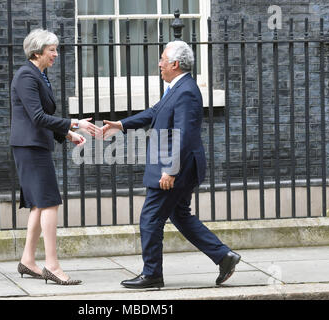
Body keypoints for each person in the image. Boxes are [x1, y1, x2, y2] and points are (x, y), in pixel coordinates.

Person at [103, 40, 241, 289]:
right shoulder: (178, 88)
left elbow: (185, 134)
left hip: (176, 167)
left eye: (162, 60)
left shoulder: (186, 91)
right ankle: (224, 256)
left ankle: (152, 273)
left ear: (175, 64)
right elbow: (154, 112)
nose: (159, 64)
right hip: (180, 166)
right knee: (180, 215)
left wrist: (170, 170)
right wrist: (120, 125)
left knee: (150, 218)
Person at [10, 28, 101, 285]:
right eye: (52, 50)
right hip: (30, 148)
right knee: (50, 202)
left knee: (40, 204)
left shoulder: (38, 75)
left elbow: (39, 119)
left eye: (56, 50)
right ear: (37, 51)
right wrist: (74, 123)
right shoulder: (27, 76)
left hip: (35, 145)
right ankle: (52, 265)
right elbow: (37, 116)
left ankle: (28, 260)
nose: (55, 55)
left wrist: (68, 134)